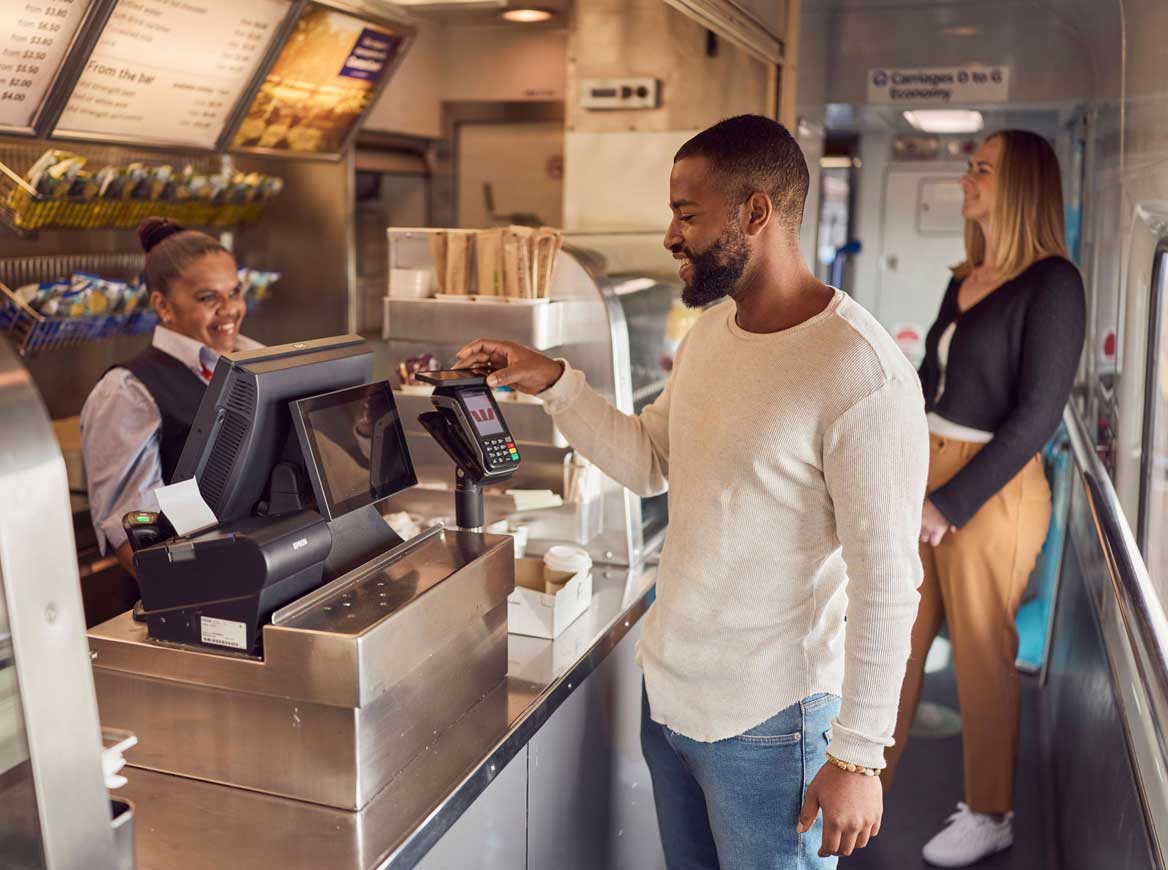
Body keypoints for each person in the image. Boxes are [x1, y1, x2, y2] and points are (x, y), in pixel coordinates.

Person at [456, 115, 930, 868]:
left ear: (755, 214)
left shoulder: (859, 373)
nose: (670, 236)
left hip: (774, 727)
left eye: (686, 214)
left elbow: (888, 584)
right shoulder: (711, 336)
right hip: (671, 702)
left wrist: (860, 755)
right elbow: (650, 461)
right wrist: (553, 382)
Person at [880, 130, 1087, 868]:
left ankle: (990, 811)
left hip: (989, 489)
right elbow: (935, 388)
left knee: (979, 652)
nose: (967, 178)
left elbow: (1036, 416)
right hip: (924, 475)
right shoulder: (963, 276)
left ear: (1021, 186)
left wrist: (951, 502)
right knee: (891, 639)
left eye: (983, 169)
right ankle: (865, 790)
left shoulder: (1053, 284)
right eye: (970, 166)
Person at [80, 218, 261, 576]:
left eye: (235, 292)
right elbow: (135, 542)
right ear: (163, 306)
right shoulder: (127, 392)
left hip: (268, 567)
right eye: (209, 297)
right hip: (203, 591)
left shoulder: (255, 359)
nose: (230, 310)